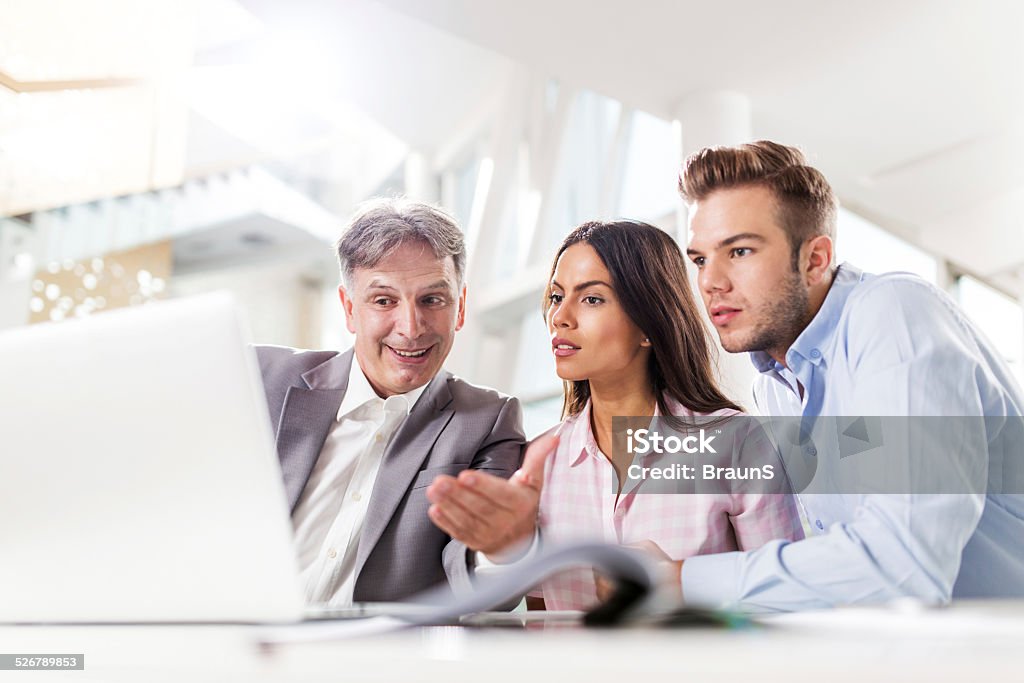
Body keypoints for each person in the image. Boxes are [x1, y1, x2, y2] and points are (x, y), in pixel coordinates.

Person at [677, 140, 1024, 610]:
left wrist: (683, 581)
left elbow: (905, 564)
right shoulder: (775, 386)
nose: (710, 282)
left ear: (815, 259)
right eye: (699, 259)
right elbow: (840, 561)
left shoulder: (894, 314)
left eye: (738, 251)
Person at [426, 219, 803, 610]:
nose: (561, 317)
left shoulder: (740, 444)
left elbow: (790, 599)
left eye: (591, 299)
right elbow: (542, 624)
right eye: (557, 297)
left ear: (648, 325)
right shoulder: (538, 465)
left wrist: (681, 585)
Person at [255, 197, 526, 605]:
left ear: (460, 306)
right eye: (384, 301)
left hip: (373, 663)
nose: (411, 328)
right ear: (349, 309)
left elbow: (478, 586)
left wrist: (504, 547)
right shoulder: (264, 379)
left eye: (432, 300)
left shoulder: (487, 421)